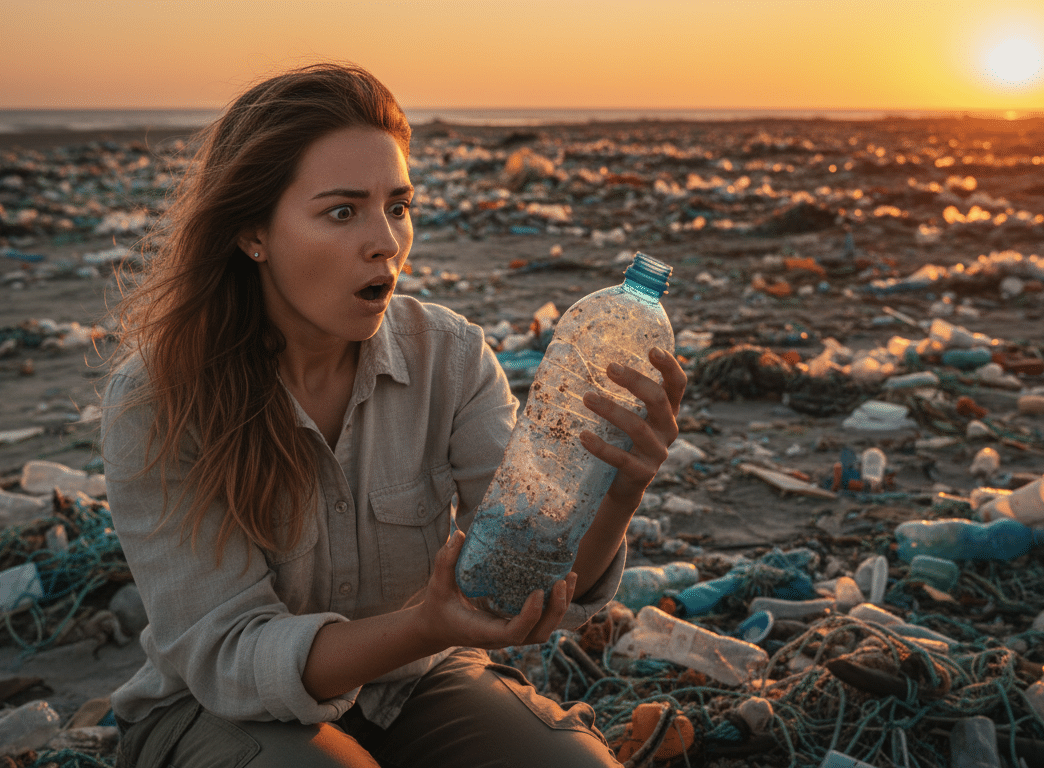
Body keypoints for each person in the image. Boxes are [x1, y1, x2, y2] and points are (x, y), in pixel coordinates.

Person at [102, 61, 685, 768]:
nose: (387, 242)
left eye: (398, 206)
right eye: (342, 211)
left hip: (413, 683)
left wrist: (619, 489)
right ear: (253, 231)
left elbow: (527, 577)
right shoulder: (161, 397)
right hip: (216, 709)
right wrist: (424, 624)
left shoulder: (450, 356)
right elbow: (228, 654)